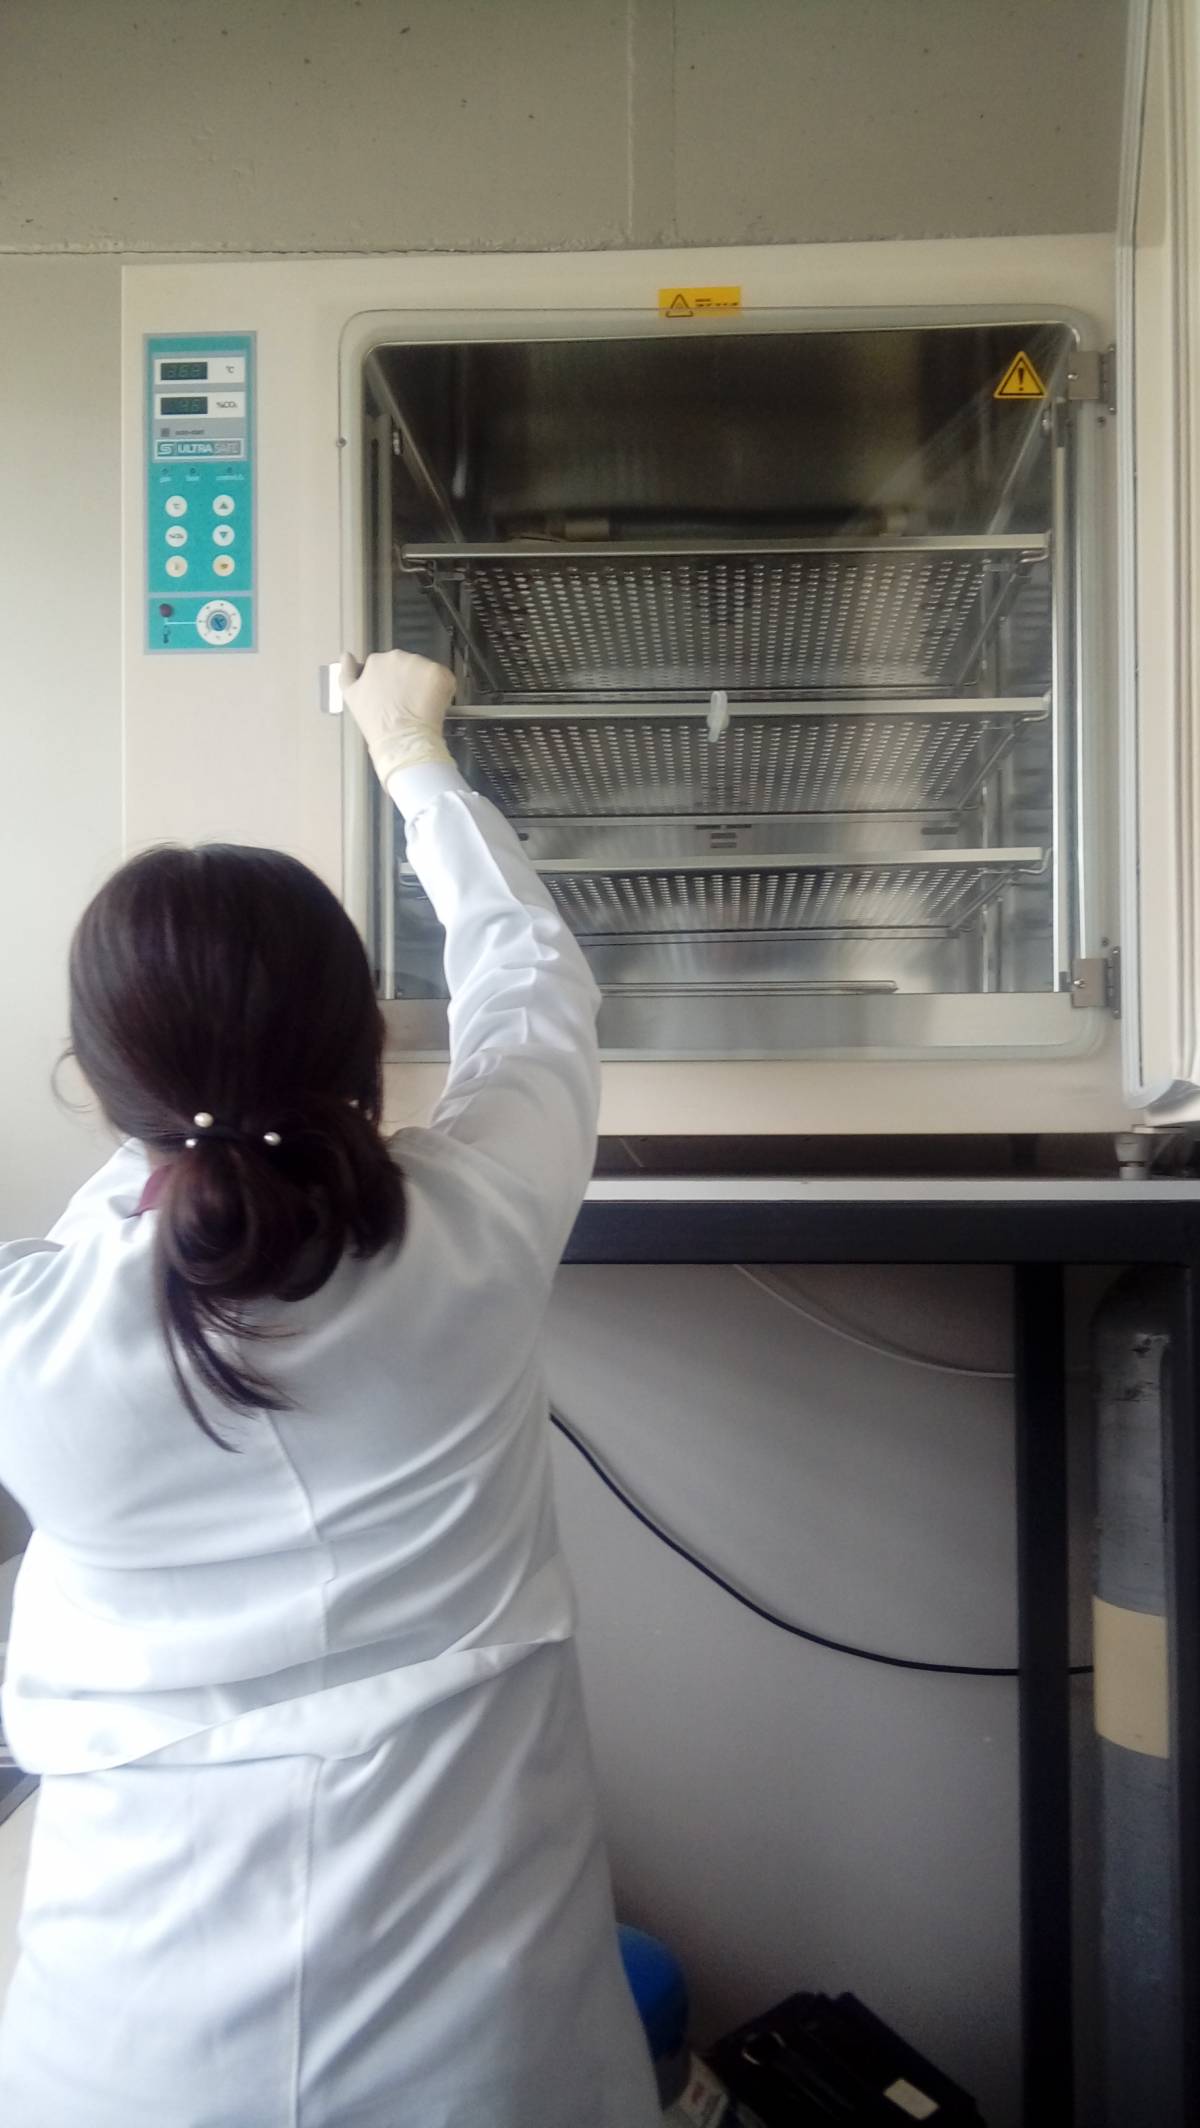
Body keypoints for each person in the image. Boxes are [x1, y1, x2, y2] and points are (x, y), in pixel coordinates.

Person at [0, 652, 662, 2128]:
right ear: (367, 1040)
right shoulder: (478, 1226)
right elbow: (532, 983)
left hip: (125, 2069)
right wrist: (412, 754)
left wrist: (178, 1124)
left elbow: (140, 1203)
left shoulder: (27, 1343)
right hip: (490, 2063)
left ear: (96, 1084)